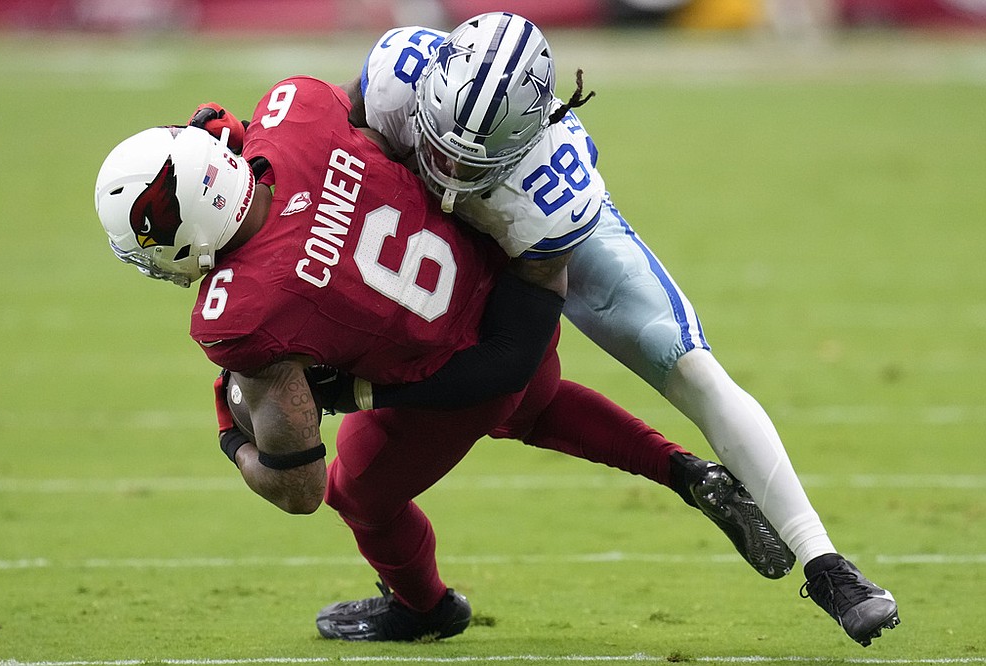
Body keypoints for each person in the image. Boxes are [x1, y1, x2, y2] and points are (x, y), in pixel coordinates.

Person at [95, 74, 785, 644]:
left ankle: (423, 608)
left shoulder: (242, 316)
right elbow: (333, 148)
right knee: (534, 403)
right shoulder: (296, 105)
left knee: (356, 493)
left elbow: (297, 488)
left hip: (461, 374)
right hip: (514, 290)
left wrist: (229, 434)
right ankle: (685, 469)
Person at [336, 11, 899, 647]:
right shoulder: (392, 75)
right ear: (427, 93)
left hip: (526, 244)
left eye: (476, 164)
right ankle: (685, 475)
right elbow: (337, 163)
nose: (453, 175)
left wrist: (363, 390)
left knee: (688, 367)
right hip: (418, 234)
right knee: (516, 405)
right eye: (443, 151)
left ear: (531, 134)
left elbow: (514, 353)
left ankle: (825, 564)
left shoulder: (545, 193)